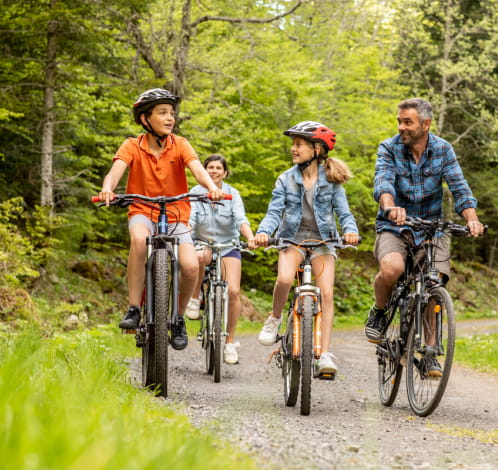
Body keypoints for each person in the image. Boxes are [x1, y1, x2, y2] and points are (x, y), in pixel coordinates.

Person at [364, 98, 485, 373]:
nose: (401, 127)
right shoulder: (389, 147)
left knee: (434, 281)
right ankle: (380, 313)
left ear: (426, 124)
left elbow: (460, 188)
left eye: (408, 122)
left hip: (432, 229)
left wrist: (472, 219)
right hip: (394, 226)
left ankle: (430, 352)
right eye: (399, 121)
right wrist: (390, 206)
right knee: (392, 268)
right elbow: (382, 182)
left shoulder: (443, 149)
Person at [98, 88, 224, 350]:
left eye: (171, 113)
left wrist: (211, 186)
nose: (170, 118)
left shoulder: (180, 144)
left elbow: (198, 170)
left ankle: (177, 317)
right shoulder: (132, 145)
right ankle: (134, 308)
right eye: (163, 113)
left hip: (177, 212)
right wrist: (108, 188)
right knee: (140, 240)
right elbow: (115, 172)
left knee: (190, 266)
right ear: (146, 118)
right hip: (142, 210)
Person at [254, 121, 359, 378]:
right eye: (293, 143)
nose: (293, 148)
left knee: (326, 293)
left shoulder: (332, 181)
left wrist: (350, 230)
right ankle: (275, 318)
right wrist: (264, 232)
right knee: (284, 279)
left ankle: (324, 354)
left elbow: (344, 213)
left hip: (323, 242)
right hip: (292, 239)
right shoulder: (285, 179)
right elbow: (274, 212)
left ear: (316, 150)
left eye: (298, 144)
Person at [186, 154, 257, 364]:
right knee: (199, 256)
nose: (214, 171)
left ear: (225, 173)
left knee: (233, 291)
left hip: (227, 246)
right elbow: (190, 219)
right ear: (204, 171)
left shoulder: (233, 194)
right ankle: (195, 297)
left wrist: (250, 237)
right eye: (210, 167)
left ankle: (230, 343)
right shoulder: (196, 193)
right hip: (202, 242)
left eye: (218, 168)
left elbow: (241, 220)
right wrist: (186, 236)